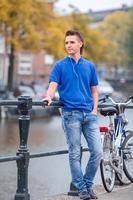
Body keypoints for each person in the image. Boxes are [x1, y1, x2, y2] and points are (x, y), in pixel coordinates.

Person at [43, 30, 103, 200]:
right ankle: (83, 191)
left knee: (97, 152)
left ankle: (87, 185)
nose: (68, 45)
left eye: (72, 42)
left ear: (80, 44)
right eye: (66, 42)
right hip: (71, 115)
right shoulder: (59, 66)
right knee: (75, 153)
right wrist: (49, 96)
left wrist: (94, 110)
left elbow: (94, 91)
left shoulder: (89, 66)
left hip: (89, 116)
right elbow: (53, 85)